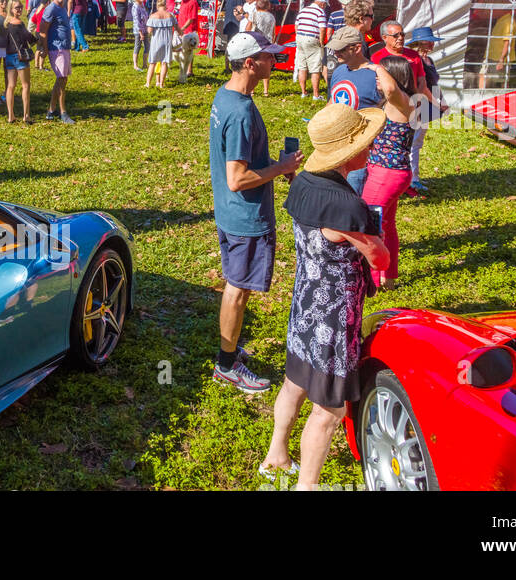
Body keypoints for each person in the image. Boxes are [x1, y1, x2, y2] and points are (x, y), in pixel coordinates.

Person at [260, 102, 389, 490]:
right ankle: (308, 486)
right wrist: (375, 236)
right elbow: (378, 255)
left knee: (294, 383)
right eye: (366, 142)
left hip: (305, 300)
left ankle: (276, 455)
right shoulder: (346, 205)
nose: (372, 147)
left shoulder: (302, 182)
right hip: (335, 316)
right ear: (350, 151)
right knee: (329, 410)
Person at [209, 31, 301, 392]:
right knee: (237, 289)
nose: (274, 62)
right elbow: (237, 177)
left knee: (238, 286)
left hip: (231, 213)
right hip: (245, 217)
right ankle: (226, 364)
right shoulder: (241, 111)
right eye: (268, 57)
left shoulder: (226, 95)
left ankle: (229, 352)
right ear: (250, 63)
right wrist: (281, 168)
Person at [361, 55, 415, 290]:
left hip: (387, 173)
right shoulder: (393, 102)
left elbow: (391, 88)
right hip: (386, 171)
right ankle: (388, 278)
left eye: (380, 76)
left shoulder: (402, 101)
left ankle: (371, 282)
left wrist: (374, 65)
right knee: (387, 226)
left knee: (368, 224)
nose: (376, 80)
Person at [325, 25, 391, 194]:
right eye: (334, 49)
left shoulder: (376, 75)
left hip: (360, 153)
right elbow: (333, 100)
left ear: (357, 48)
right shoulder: (339, 71)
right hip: (336, 148)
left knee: (354, 198)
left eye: (340, 49)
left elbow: (389, 110)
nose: (335, 53)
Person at [406, 26, 444, 193]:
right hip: (421, 104)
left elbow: (433, 83)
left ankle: (413, 177)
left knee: (417, 142)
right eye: (428, 41)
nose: (432, 44)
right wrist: (437, 102)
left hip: (429, 104)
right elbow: (421, 86)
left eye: (432, 41)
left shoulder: (429, 60)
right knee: (414, 143)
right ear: (420, 43)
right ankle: (412, 179)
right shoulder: (417, 61)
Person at [371, 21, 431, 102]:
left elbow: (422, 80)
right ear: (384, 37)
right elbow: (375, 84)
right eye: (396, 35)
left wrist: (417, 99)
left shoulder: (414, 55)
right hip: (389, 103)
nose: (400, 38)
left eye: (402, 34)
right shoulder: (376, 58)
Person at [39, 0, 74, 123]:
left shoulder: (62, 7)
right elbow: (42, 31)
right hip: (56, 48)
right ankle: (63, 112)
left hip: (64, 47)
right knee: (62, 78)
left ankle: (51, 110)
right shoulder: (51, 9)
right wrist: (45, 49)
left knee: (62, 79)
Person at [3, 0, 34, 123]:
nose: (20, 9)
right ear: (11, 9)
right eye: (17, 8)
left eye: (21, 7)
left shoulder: (6, 24)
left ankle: (10, 116)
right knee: (25, 85)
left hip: (9, 57)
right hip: (20, 57)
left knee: (11, 86)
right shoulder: (19, 23)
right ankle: (26, 115)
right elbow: (29, 38)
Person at [293, 0, 325, 100]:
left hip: (300, 38)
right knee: (315, 68)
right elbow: (322, 29)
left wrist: (299, 35)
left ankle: (304, 92)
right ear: (322, 3)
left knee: (302, 66)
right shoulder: (320, 12)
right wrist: (321, 42)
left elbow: (296, 25)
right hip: (312, 38)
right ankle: (316, 95)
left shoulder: (303, 10)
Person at [142, 5, 172, 89]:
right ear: (165, 6)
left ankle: (148, 83)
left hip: (156, 42)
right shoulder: (170, 15)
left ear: (157, 6)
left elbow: (149, 30)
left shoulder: (153, 16)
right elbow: (177, 28)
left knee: (152, 63)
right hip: (167, 41)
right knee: (164, 63)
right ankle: (161, 84)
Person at [250, 0, 272, 95]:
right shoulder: (271, 17)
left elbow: (248, 27)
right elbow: (274, 32)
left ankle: (251, 89)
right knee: (266, 65)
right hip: (267, 43)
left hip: (255, 42)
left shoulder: (254, 15)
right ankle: (266, 91)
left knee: (252, 65)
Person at [175, 0, 197, 80]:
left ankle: (189, 71)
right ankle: (184, 69)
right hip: (181, 29)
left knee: (189, 51)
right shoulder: (183, 2)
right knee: (182, 51)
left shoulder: (193, 2)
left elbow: (191, 19)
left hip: (189, 30)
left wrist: (183, 28)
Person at [129, 0, 146, 72]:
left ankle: (145, 65)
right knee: (137, 46)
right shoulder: (135, 7)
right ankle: (135, 65)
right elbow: (137, 21)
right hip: (138, 31)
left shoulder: (142, 4)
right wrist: (141, 33)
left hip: (145, 29)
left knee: (147, 47)